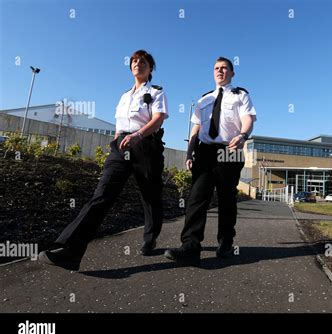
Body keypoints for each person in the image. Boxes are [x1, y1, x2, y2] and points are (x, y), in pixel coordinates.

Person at [39, 50, 169, 270]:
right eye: (135, 61)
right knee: (102, 194)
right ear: (130, 67)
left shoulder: (156, 91)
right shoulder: (124, 95)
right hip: (121, 147)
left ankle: (150, 237)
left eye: (143, 62)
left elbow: (158, 120)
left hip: (146, 145)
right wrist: (119, 140)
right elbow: (120, 123)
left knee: (150, 196)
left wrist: (138, 135)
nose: (138, 64)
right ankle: (71, 250)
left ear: (150, 69)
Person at [164, 57, 256, 264]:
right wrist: (189, 153)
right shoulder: (204, 99)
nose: (220, 71)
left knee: (226, 199)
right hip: (205, 152)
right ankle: (190, 246)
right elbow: (195, 129)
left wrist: (243, 136)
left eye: (224, 68)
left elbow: (248, 118)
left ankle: (225, 243)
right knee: (197, 198)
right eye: (216, 68)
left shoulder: (241, 95)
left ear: (232, 73)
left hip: (229, 150)